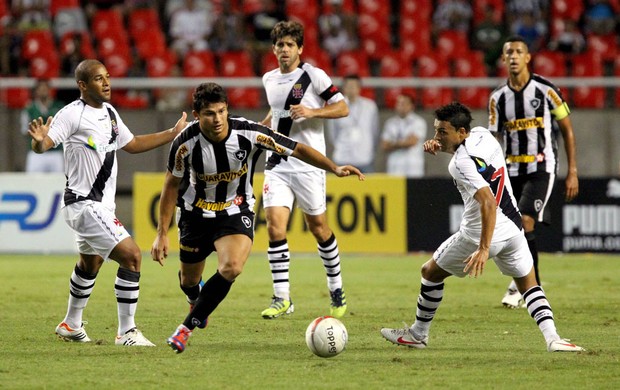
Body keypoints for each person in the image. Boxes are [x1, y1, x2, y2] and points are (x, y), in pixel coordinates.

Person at [150, 82, 364, 353]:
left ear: (227, 110)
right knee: (188, 281)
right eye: (209, 114)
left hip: (235, 212)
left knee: (232, 267)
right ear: (196, 115)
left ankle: (185, 329)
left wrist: (333, 167)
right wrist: (161, 233)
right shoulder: (184, 144)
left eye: (221, 111)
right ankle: (197, 298)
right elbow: (170, 185)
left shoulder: (249, 133)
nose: (217, 119)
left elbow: (296, 148)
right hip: (195, 215)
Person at [380, 102, 584, 353]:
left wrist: (484, 248)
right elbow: (474, 159)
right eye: (436, 131)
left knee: (429, 272)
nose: (436, 136)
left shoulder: (458, 164)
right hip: (513, 228)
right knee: (529, 285)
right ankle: (554, 339)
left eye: (442, 132)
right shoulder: (483, 136)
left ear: (462, 132)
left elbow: (487, 201)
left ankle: (418, 334)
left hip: (478, 234)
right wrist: (444, 146)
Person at [27, 59, 188, 346]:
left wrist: (172, 134)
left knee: (90, 264)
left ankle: (70, 323)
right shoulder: (71, 114)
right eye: (99, 78)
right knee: (132, 255)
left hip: (98, 206)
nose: (107, 82)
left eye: (108, 77)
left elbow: (133, 144)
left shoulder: (111, 114)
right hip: (85, 203)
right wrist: (39, 143)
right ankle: (126, 332)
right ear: (82, 85)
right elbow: (46, 143)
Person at [259, 20, 350, 319]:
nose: (284, 50)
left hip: (309, 164)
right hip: (277, 163)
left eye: (289, 45)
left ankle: (336, 288)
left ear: (300, 48)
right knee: (274, 226)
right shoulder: (269, 79)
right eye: (280, 45)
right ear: (273, 49)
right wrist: (262, 127)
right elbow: (278, 110)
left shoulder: (313, 75)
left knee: (319, 229)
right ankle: (282, 297)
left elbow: (343, 106)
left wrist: (313, 111)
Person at [488, 36, 579, 308]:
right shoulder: (497, 99)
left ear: (528, 57)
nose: (514, 56)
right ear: (503, 59)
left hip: (542, 166)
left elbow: (567, 130)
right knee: (512, 228)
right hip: (511, 167)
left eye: (519, 51)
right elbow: (493, 139)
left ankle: (529, 289)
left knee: (526, 220)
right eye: (509, 52)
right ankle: (522, 283)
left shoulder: (547, 90)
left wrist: (572, 170)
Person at [327, 74, 379, 173]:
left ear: (359, 88)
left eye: (354, 86)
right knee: (342, 188)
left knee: (368, 187)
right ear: (344, 88)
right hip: (343, 156)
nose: (352, 89)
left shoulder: (370, 106)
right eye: (349, 86)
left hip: (364, 157)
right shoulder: (335, 106)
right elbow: (332, 134)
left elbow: (374, 132)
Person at [21, 79, 65, 172]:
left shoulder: (59, 107)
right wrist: (38, 135)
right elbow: (25, 130)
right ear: (36, 91)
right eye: (40, 89)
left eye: (45, 89)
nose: (43, 91)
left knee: (57, 183)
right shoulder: (29, 108)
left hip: (55, 152)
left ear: (49, 90)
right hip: (36, 153)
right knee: (33, 183)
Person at [380, 94, 427, 178]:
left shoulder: (418, 122)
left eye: (404, 103)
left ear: (411, 106)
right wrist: (403, 142)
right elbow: (384, 146)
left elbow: (412, 142)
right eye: (398, 103)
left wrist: (393, 143)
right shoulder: (390, 123)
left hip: (413, 168)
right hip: (395, 167)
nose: (400, 106)